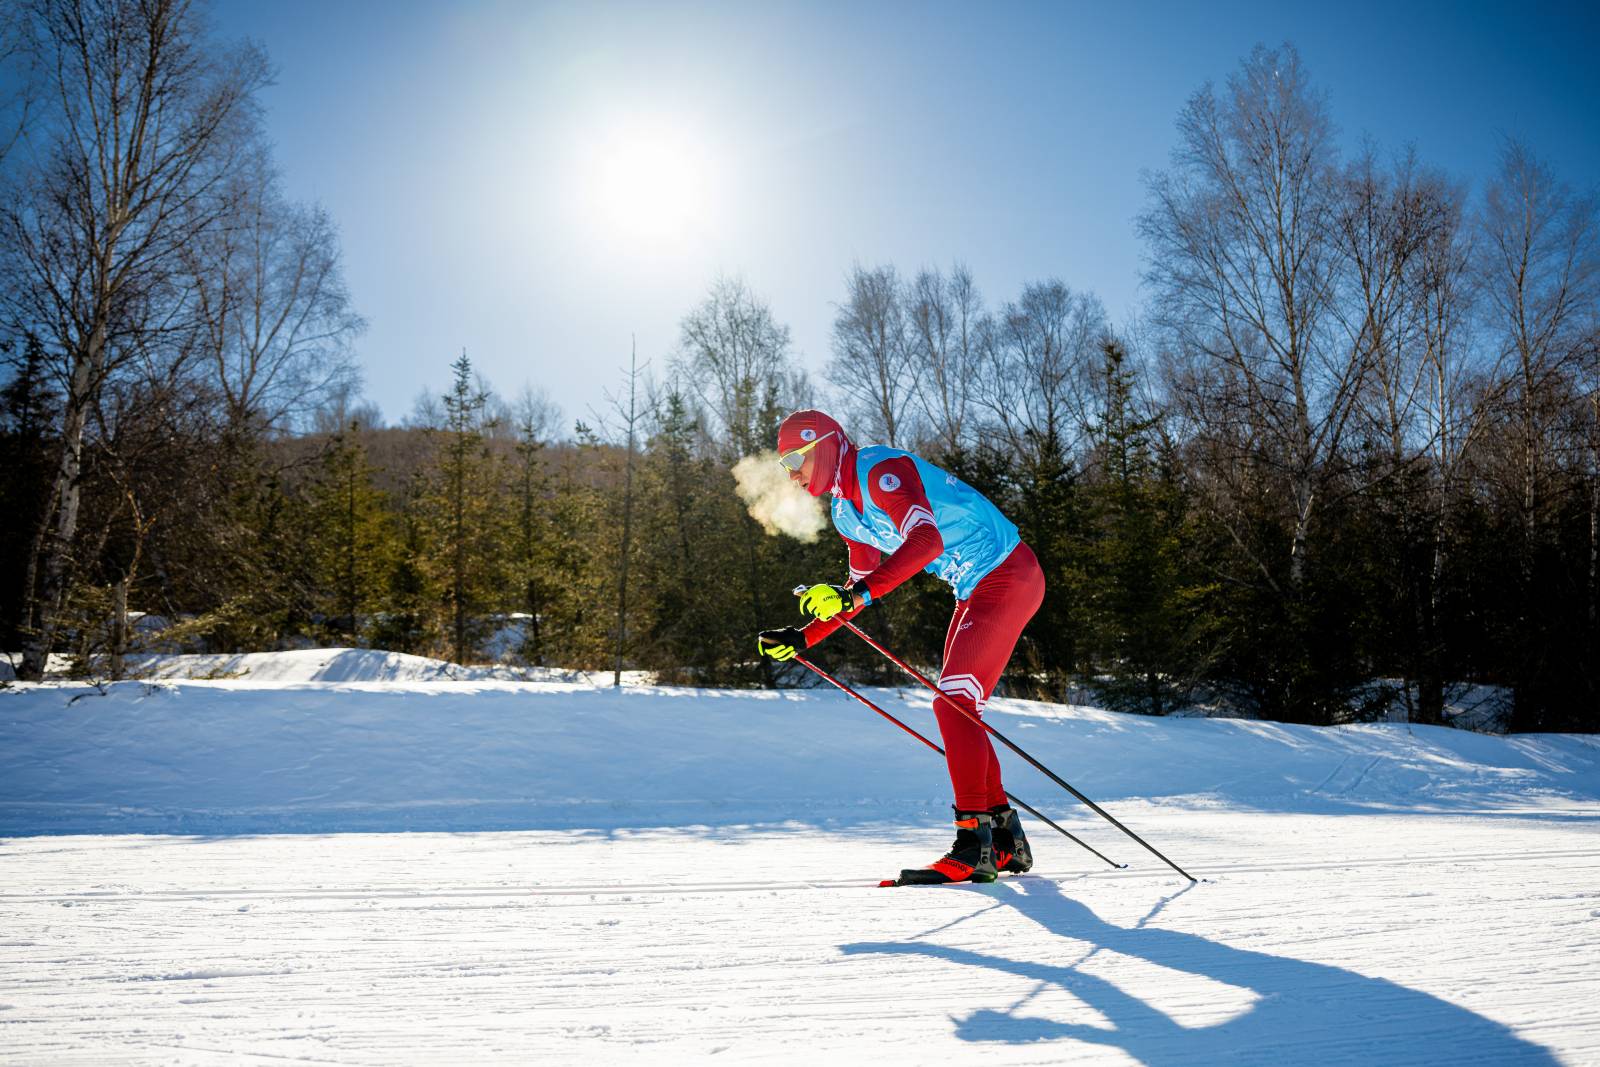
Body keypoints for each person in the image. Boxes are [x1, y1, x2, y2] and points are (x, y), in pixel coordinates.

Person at [757, 409, 1046, 885]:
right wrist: (801, 637)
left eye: (795, 458)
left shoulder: (879, 471)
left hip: (1007, 572)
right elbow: (856, 590)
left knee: (952, 705)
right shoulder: (845, 511)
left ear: (823, 445)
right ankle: (1003, 839)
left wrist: (855, 593)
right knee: (960, 709)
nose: (790, 473)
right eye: (783, 463)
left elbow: (927, 541)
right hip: (975, 586)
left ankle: (975, 844)